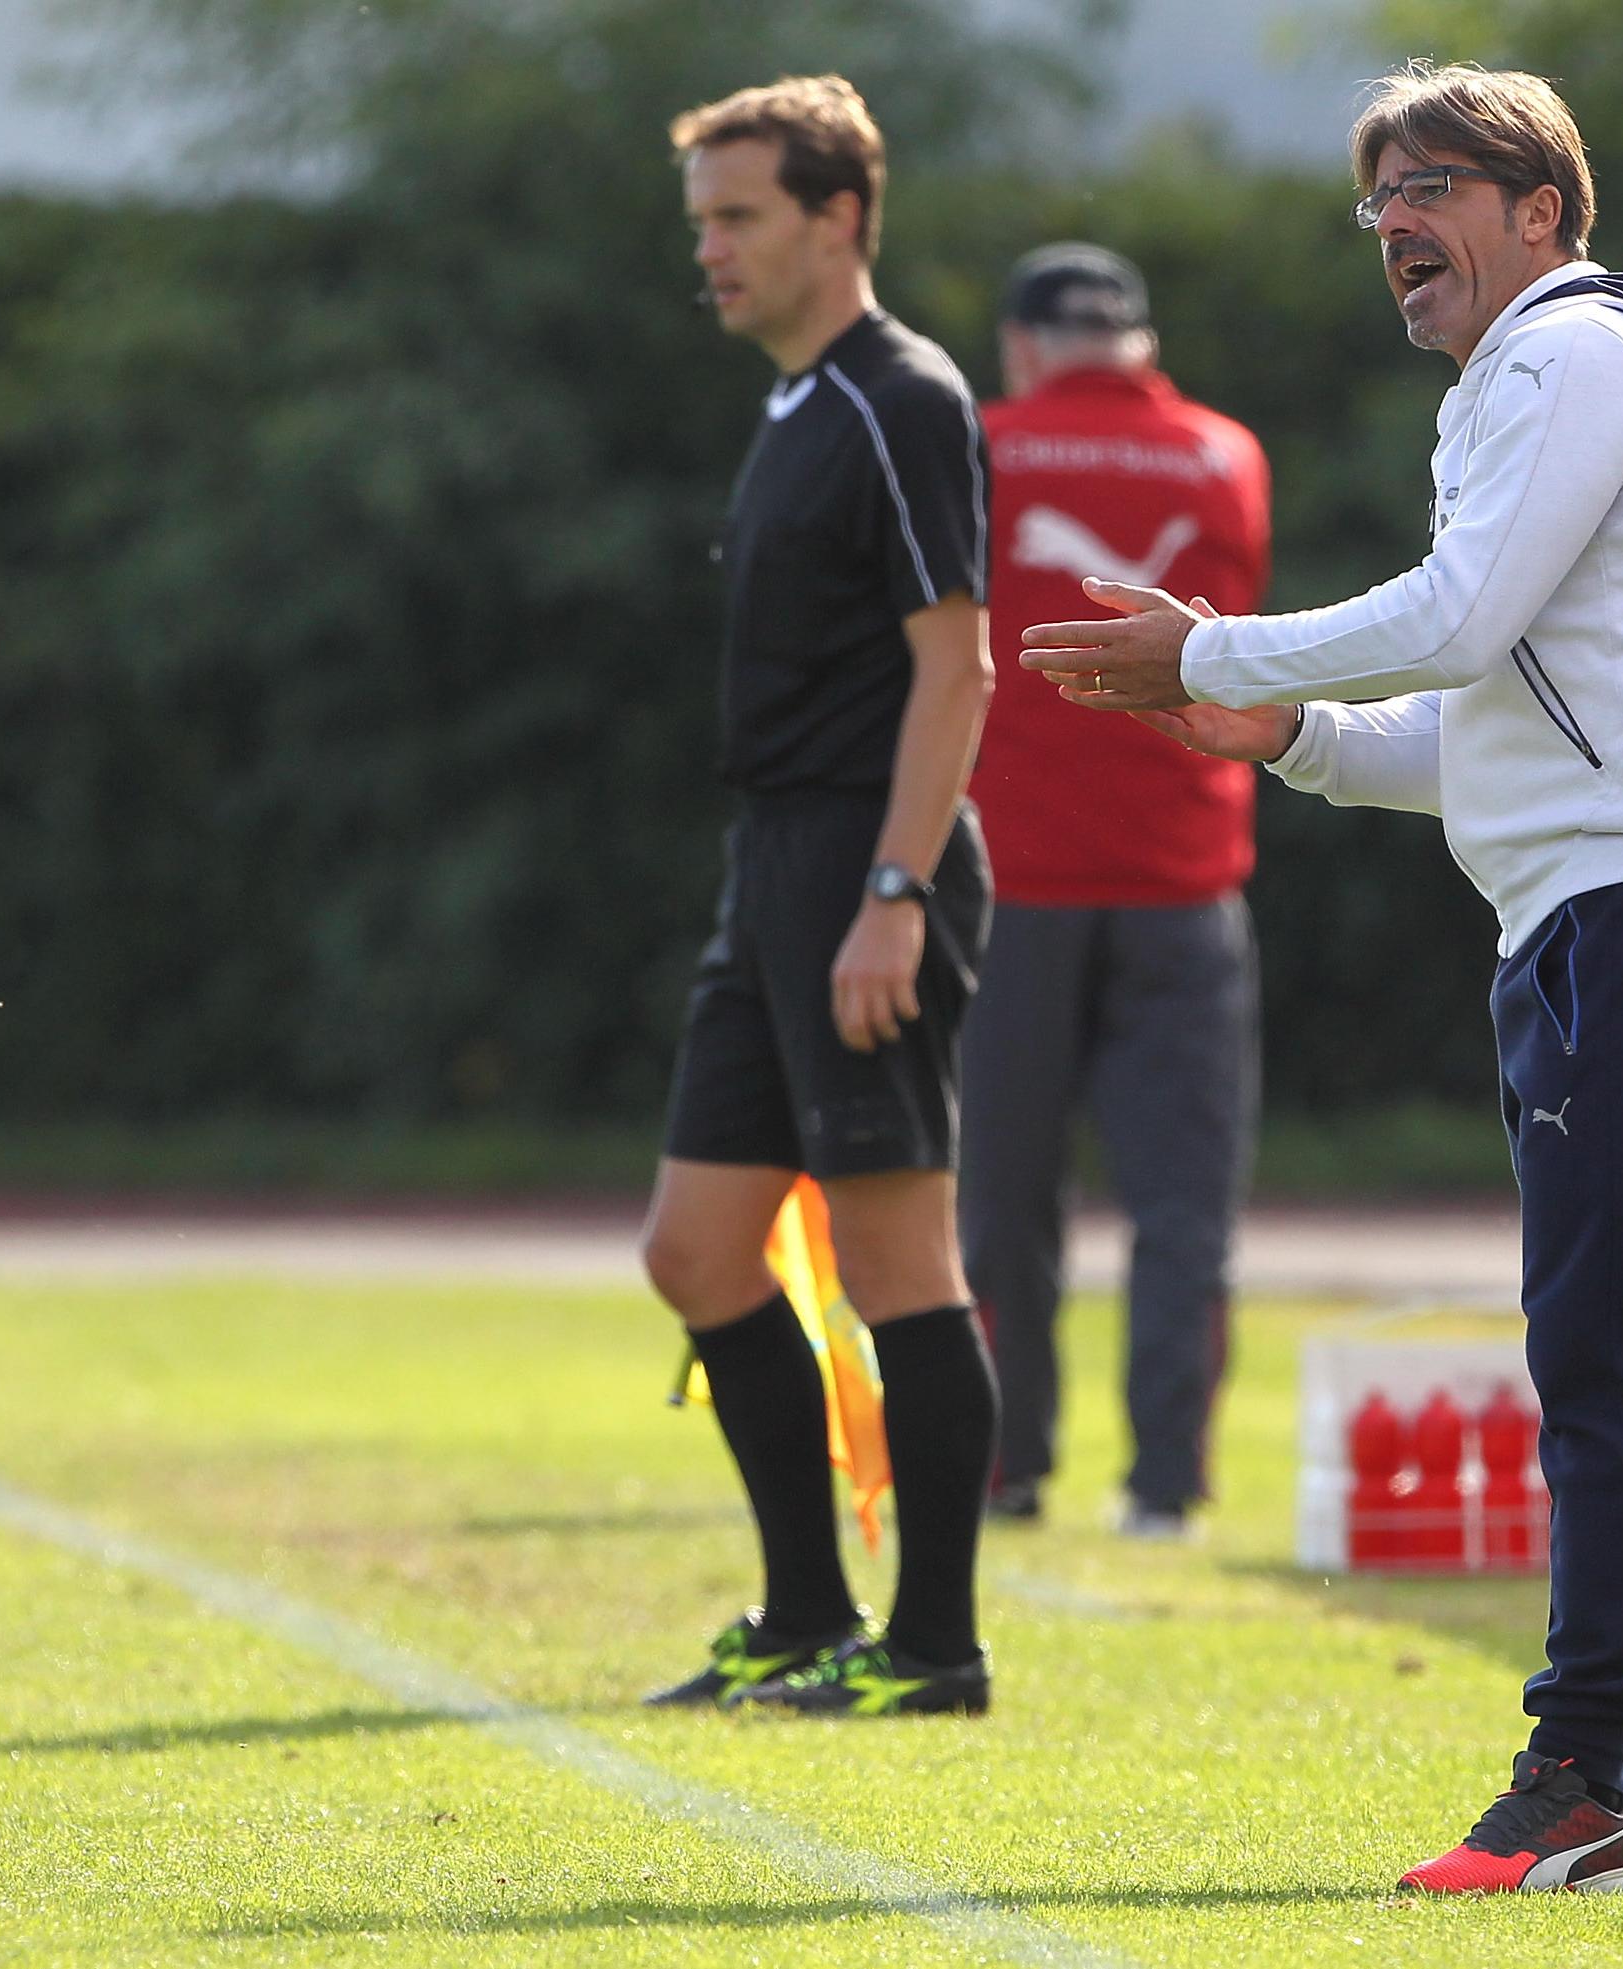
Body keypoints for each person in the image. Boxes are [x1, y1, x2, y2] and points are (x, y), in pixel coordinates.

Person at [1021, 61, 1623, 1894]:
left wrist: (1212, 648)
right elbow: (1497, 725)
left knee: (1613, 1365)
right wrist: (1286, 730)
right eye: (1374, 198)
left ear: (1545, 212)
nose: (1392, 224)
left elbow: (1459, 621)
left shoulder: (1566, 358)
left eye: (1432, 185)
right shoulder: (1547, 377)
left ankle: (1580, 1772)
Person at [636, 75, 1001, 1718]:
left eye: (738, 216)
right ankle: (799, 1609)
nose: (708, 249)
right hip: (773, 864)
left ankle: (933, 1648)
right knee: (698, 1247)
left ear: (837, 218)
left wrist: (893, 891)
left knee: (895, 1260)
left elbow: (957, 667)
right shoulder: (792, 403)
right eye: (700, 218)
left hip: (868, 862)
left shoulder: (896, 395)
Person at [960, 246, 1273, 1538]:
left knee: (1000, 1197)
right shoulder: (1225, 454)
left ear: (1025, 347)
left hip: (1008, 882)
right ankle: (1163, 1488)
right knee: (1183, 1200)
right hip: (1182, 879)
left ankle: (1001, 1468)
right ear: (1139, 344)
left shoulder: (977, 448)